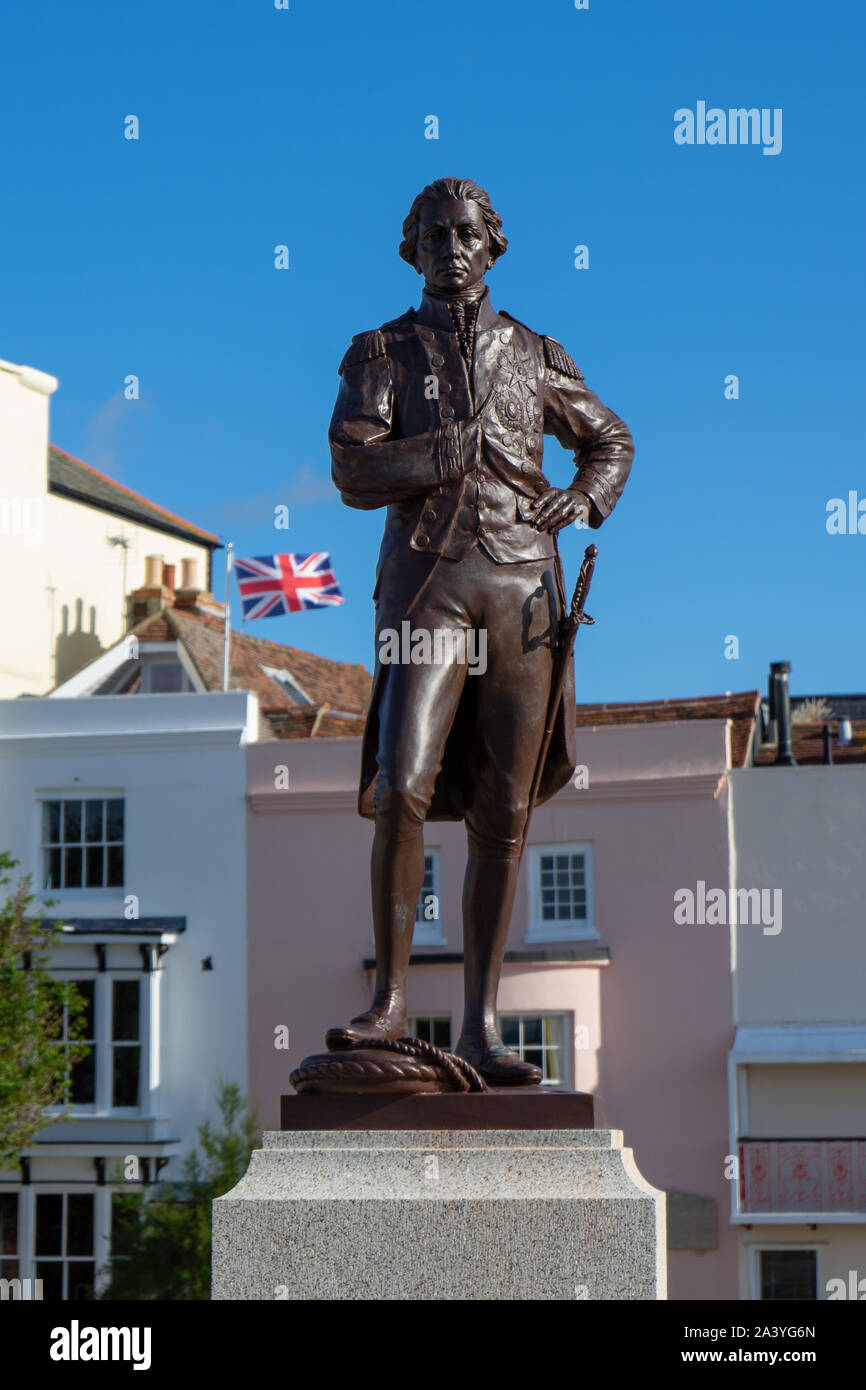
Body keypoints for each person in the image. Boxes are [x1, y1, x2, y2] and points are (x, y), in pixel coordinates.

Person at [327, 177, 633, 1084]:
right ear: (410, 248)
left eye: (466, 234)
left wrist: (580, 499)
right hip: (427, 583)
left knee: (505, 810)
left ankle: (480, 1027)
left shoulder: (536, 353)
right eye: (433, 234)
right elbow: (351, 463)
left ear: (492, 246)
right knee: (402, 781)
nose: (450, 248)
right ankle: (388, 1004)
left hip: (522, 592)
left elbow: (610, 439)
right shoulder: (379, 351)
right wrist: (436, 454)